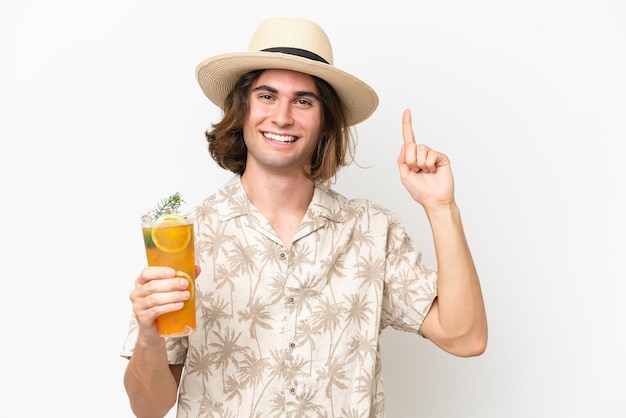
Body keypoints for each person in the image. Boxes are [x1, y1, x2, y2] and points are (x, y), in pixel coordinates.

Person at [121, 16, 487, 418]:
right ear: (241, 110)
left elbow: (465, 337)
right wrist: (149, 337)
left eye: (303, 101)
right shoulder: (188, 235)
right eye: (266, 96)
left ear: (324, 120)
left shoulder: (371, 231)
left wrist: (441, 208)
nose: (282, 116)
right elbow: (148, 407)